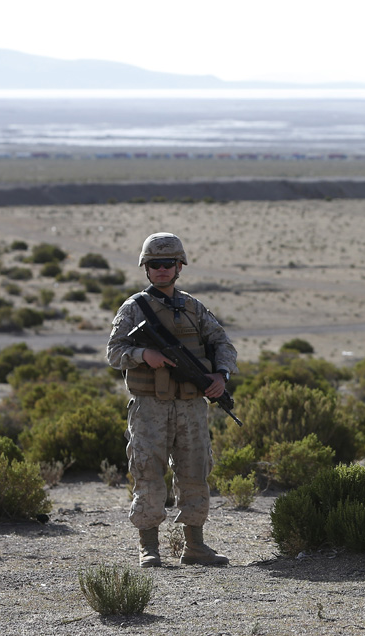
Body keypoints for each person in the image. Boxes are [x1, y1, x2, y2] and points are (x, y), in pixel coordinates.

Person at [106, 232, 238, 567]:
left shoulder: (193, 307)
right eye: (155, 264)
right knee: (147, 471)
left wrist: (220, 377)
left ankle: (196, 545)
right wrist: (143, 354)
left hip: (191, 405)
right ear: (146, 268)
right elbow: (114, 352)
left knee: (195, 469)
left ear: (179, 266)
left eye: (168, 263)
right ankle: (148, 547)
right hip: (150, 405)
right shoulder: (134, 309)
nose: (162, 269)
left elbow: (222, 344)